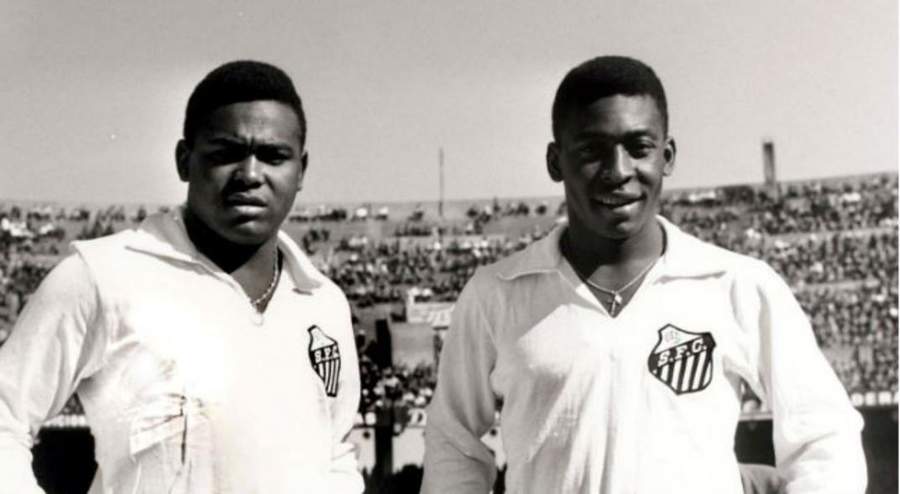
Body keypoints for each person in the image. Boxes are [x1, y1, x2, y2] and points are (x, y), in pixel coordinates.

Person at [422, 56, 866, 493]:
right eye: (592, 151)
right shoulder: (495, 294)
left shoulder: (737, 283)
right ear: (555, 161)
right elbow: (453, 445)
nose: (618, 171)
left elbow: (825, 434)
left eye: (638, 148)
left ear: (666, 156)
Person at [0, 60, 363, 493]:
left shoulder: (324, 303)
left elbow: (335, 453)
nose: (250, 175)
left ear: (300, 170)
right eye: (226, 153)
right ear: (184, 161)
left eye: (273, 156)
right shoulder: (103, 276)